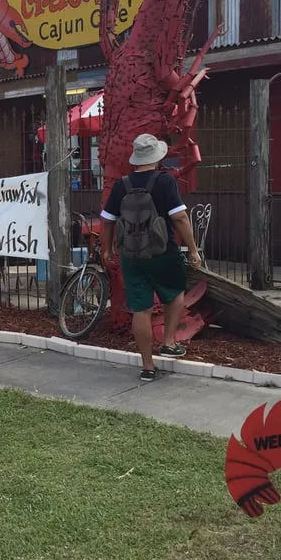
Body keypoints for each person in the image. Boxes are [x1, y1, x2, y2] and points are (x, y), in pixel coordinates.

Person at [100, 133, 202, 382]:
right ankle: (168, 342)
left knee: (140, 309)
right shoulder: (165, 181)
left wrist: (108, 249)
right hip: (162, 252)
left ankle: (147, 366)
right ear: (157, 157)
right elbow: (179, 218)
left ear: (136, 158)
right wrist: (192, 248)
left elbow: (106, 220)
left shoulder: (121, 184)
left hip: (131, 255)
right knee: (176, 292)